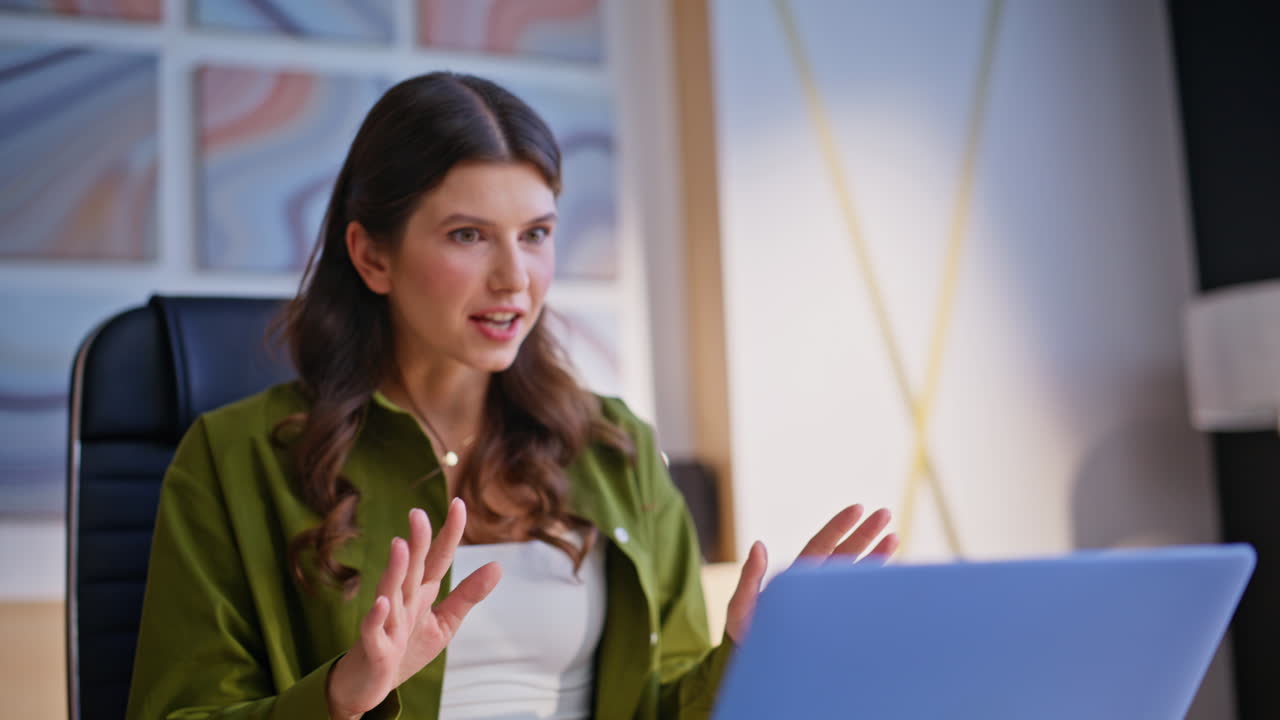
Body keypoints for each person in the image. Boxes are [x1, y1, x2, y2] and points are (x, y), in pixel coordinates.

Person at [124, 71, 898, 720]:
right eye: (468, 235)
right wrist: (338, 697)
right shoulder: (234, 461)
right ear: (370, 256)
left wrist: (747, 659)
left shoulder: (614, 449)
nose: (514, 278)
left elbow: (662, 707)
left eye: (535, 233)